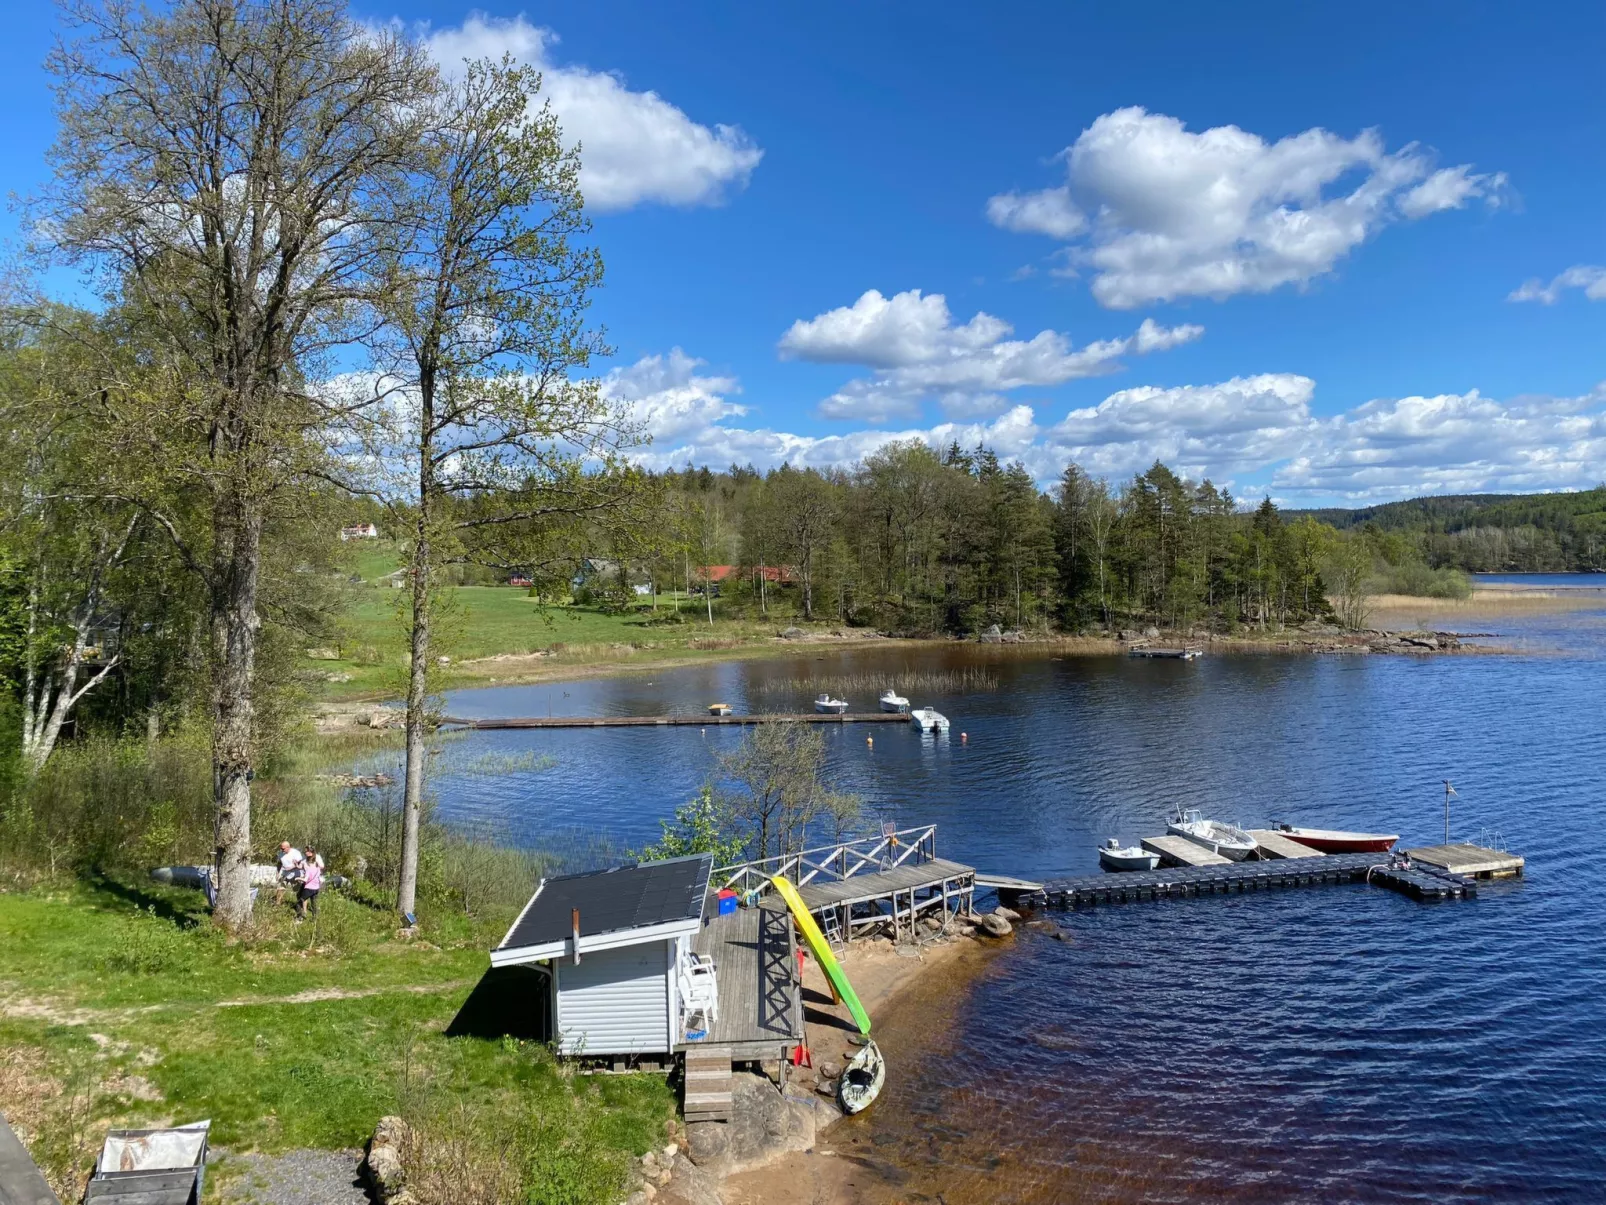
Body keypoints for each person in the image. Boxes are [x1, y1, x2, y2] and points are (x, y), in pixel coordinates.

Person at [297, 847, 323, 921]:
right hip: (316, 887)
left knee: (300, 901)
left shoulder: (309, 869)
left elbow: (306, 879)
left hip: (309, 887)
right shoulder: (317, 867)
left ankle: (300, 918)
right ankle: (315, 919)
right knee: (314, 903)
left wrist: (298, 878)